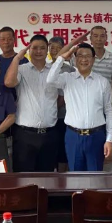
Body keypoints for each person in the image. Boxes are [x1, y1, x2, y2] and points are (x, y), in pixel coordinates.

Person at [46, 43, 112, 172]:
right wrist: (62, 58)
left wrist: (109, 139)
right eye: (80, 55)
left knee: (96, 176)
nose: (84, 59)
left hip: (96, 136)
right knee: (75, 176)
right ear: (74, 59)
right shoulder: (67, 78)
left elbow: (109, 111)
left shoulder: (102, 82)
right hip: (73, 136)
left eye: (88, 56)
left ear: (93, 59)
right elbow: (50, 80)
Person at [4, 35, 59, 172]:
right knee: (23, 178)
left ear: (47, 50)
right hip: (25, 135)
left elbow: (62, 98)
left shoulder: (55, 70)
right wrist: (17, 58)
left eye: (42, 48)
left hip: (49, 134)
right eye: (34, 48)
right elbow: (9, 83)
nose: (38, 51)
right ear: (28, 49)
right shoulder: (21, 69)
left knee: (47, 178)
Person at [68, 27, 112, 94]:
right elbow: (59, 56)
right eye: (95, 36)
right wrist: (75, 41)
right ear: (90, 38)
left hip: (106, 97)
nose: (99, 39)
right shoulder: (80, 58)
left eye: (102, 36)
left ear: (106, 38)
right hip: (84, 96)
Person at [0, 27, 29, 96]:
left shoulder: (22, 60)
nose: (6, 42)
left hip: (16, 100)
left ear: (14, 40)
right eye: (3, 39)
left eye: (9, 39)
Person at [48, 36, 71, 172]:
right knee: (51, 152)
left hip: (62, 117)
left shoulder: (69, 70)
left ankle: (62, 180)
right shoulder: (46, 67)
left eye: (59, 48)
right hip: (47, 119)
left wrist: (51, 110)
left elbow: (63, 97)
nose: (55, 51)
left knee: (62, 152)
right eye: (52, 48)